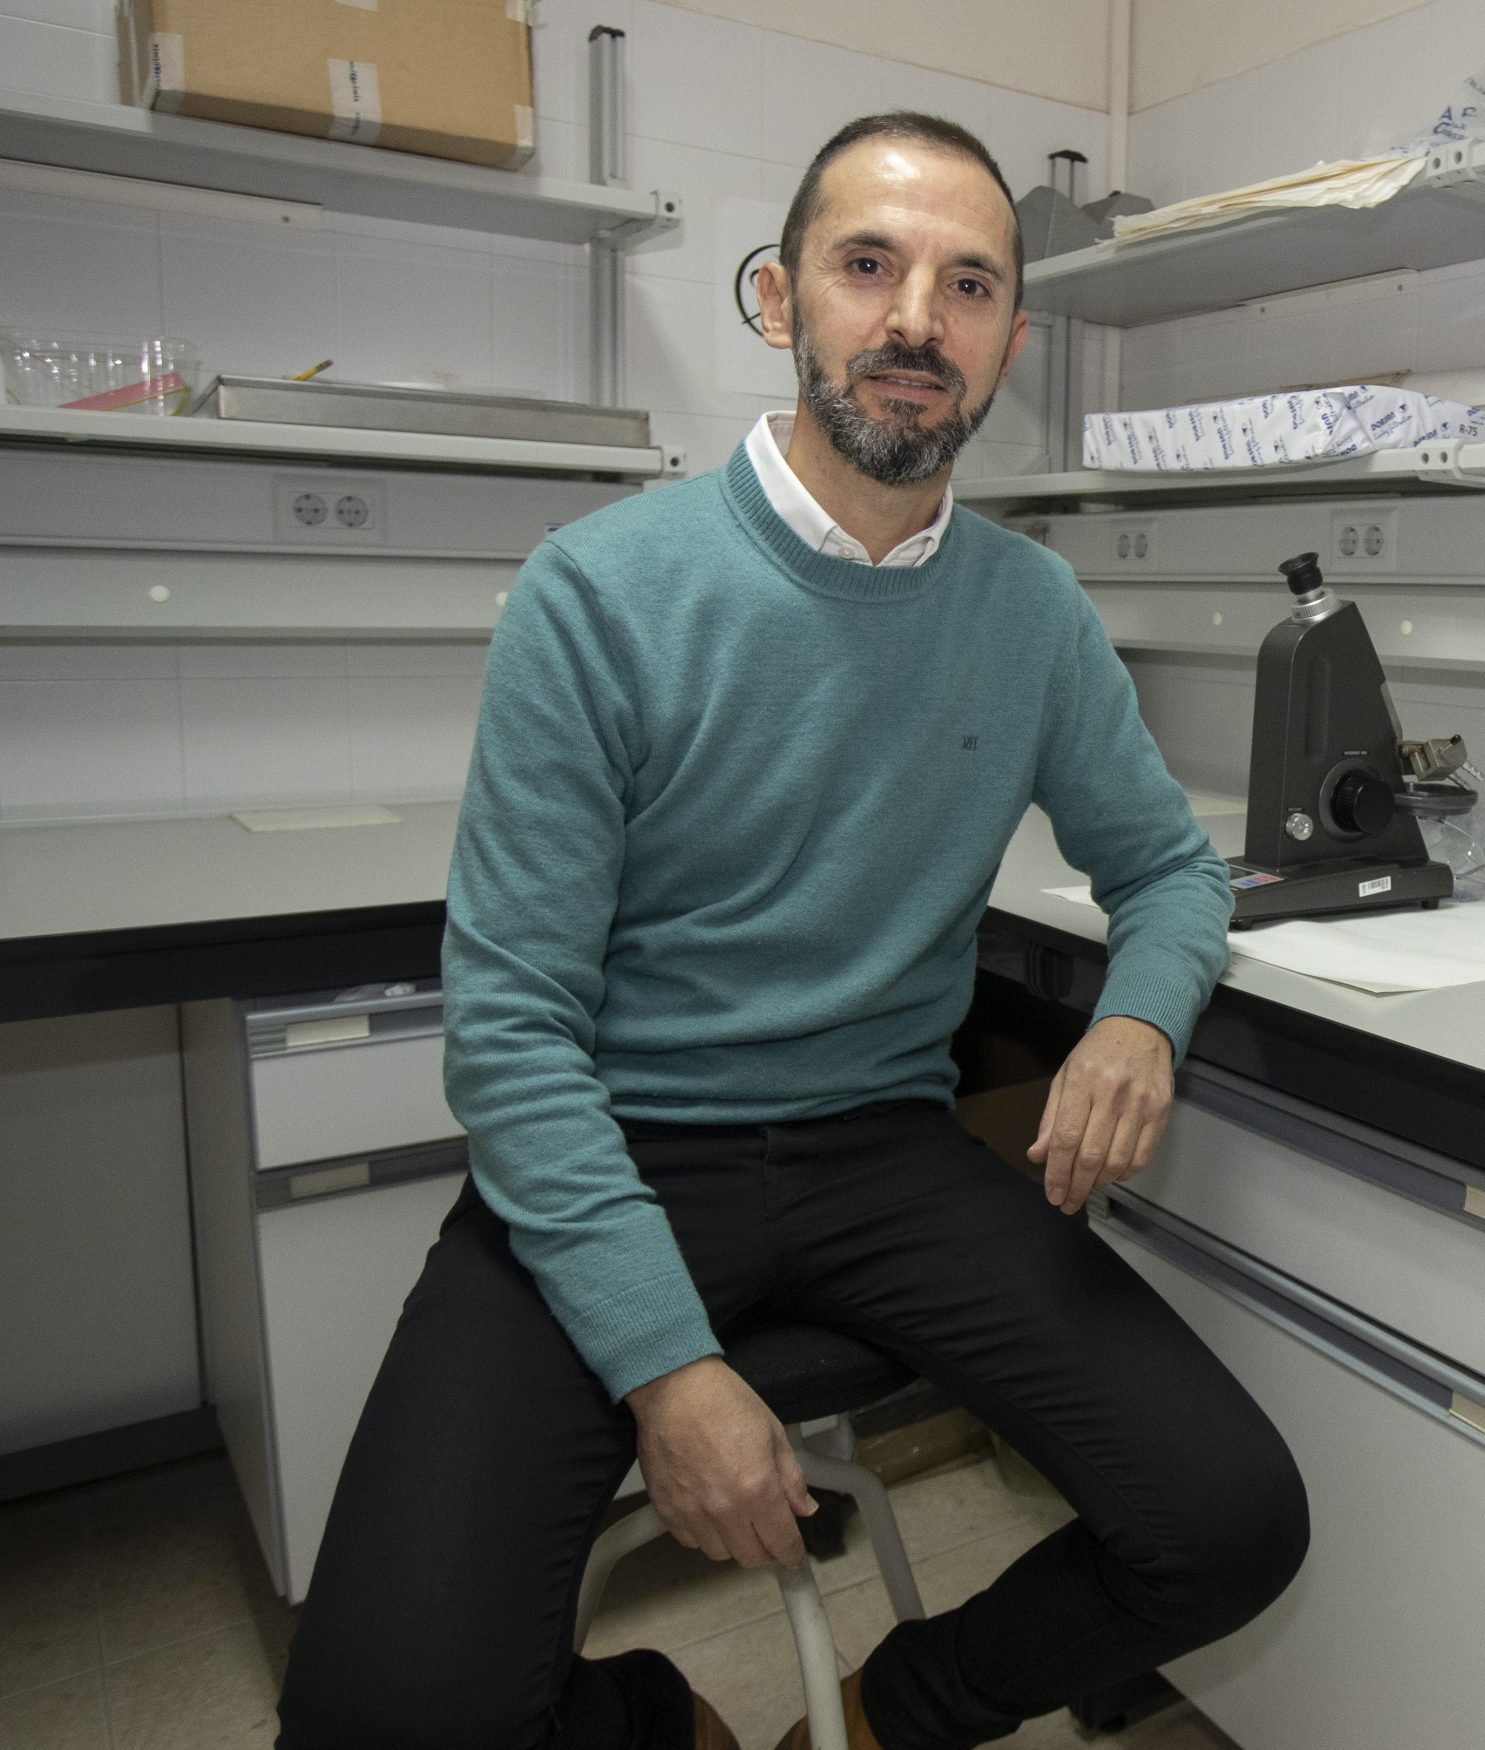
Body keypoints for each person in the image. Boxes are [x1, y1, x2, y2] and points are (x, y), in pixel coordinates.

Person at [273, 111, 1308, 1750]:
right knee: (376, 1721)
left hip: (878, 1153)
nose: (918, 318)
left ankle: (902, 1707)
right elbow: (513, 1030)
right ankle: (656, 1723)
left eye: (970, 285)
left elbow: (1173, 875)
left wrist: (1137, 1018)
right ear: (782, 300)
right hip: (614, 1147)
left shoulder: (1031, 615)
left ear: (1010, 342)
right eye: (870, 266)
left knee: (1234, 1518)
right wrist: (669, 1371)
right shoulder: (599, 591)